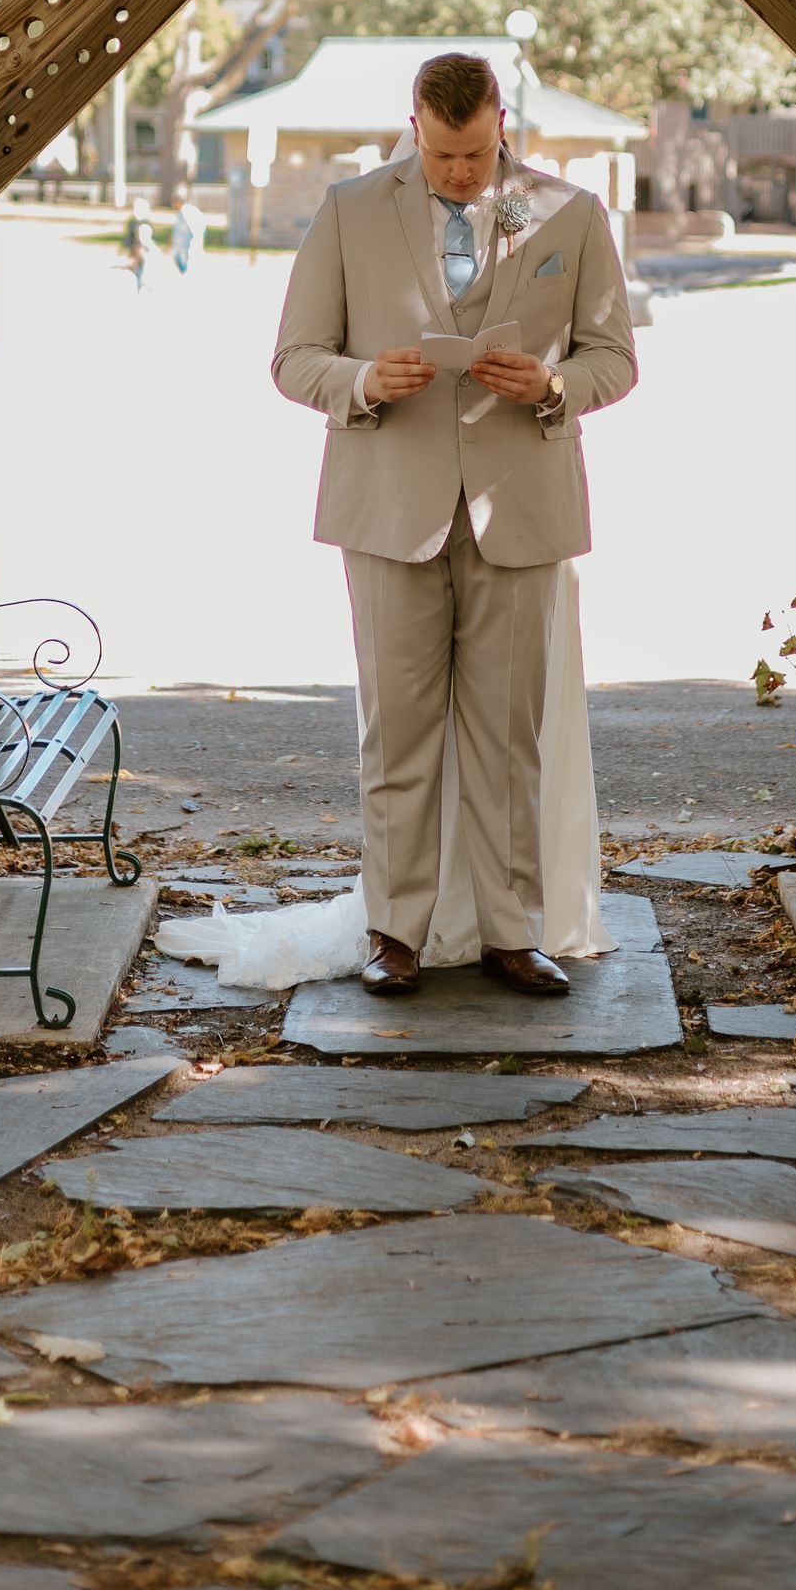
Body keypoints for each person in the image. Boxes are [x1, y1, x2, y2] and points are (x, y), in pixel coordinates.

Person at [272, 50, 637, 997]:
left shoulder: (569, 214)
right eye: (441, 157)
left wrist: (554, 384)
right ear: (415, 127)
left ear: (501, 122)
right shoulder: (350, 210)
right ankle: (396, 932)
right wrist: (360, 382)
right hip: (389, 512)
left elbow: (614, 357)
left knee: (509, 737)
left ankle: (513, 933)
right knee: (395, 734)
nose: (459, 175)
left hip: (520, 510)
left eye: (474, 155)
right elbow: (293, 357)